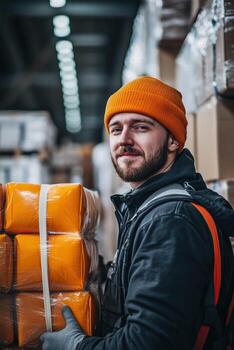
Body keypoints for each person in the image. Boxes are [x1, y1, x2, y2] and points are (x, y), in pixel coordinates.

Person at [41, 77, 234, 349]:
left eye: (141, 127)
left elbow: (146, 343)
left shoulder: (170, 220)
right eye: (116, 129)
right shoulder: (151, 207)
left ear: (173, 141)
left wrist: (76, 346)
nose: (124, 140)